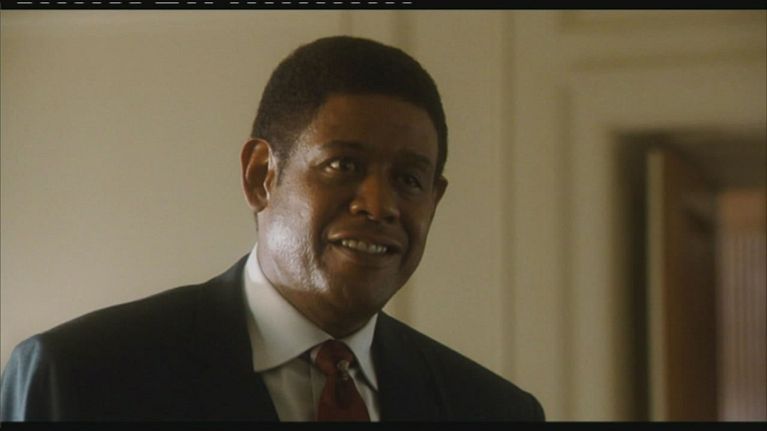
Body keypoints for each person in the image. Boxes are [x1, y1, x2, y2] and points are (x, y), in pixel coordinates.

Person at [0, 36, 544, 422]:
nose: (379, 205)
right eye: (343, 165)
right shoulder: (82, 378)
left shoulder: (493, 411)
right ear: (261, 175)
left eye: (408, 179)